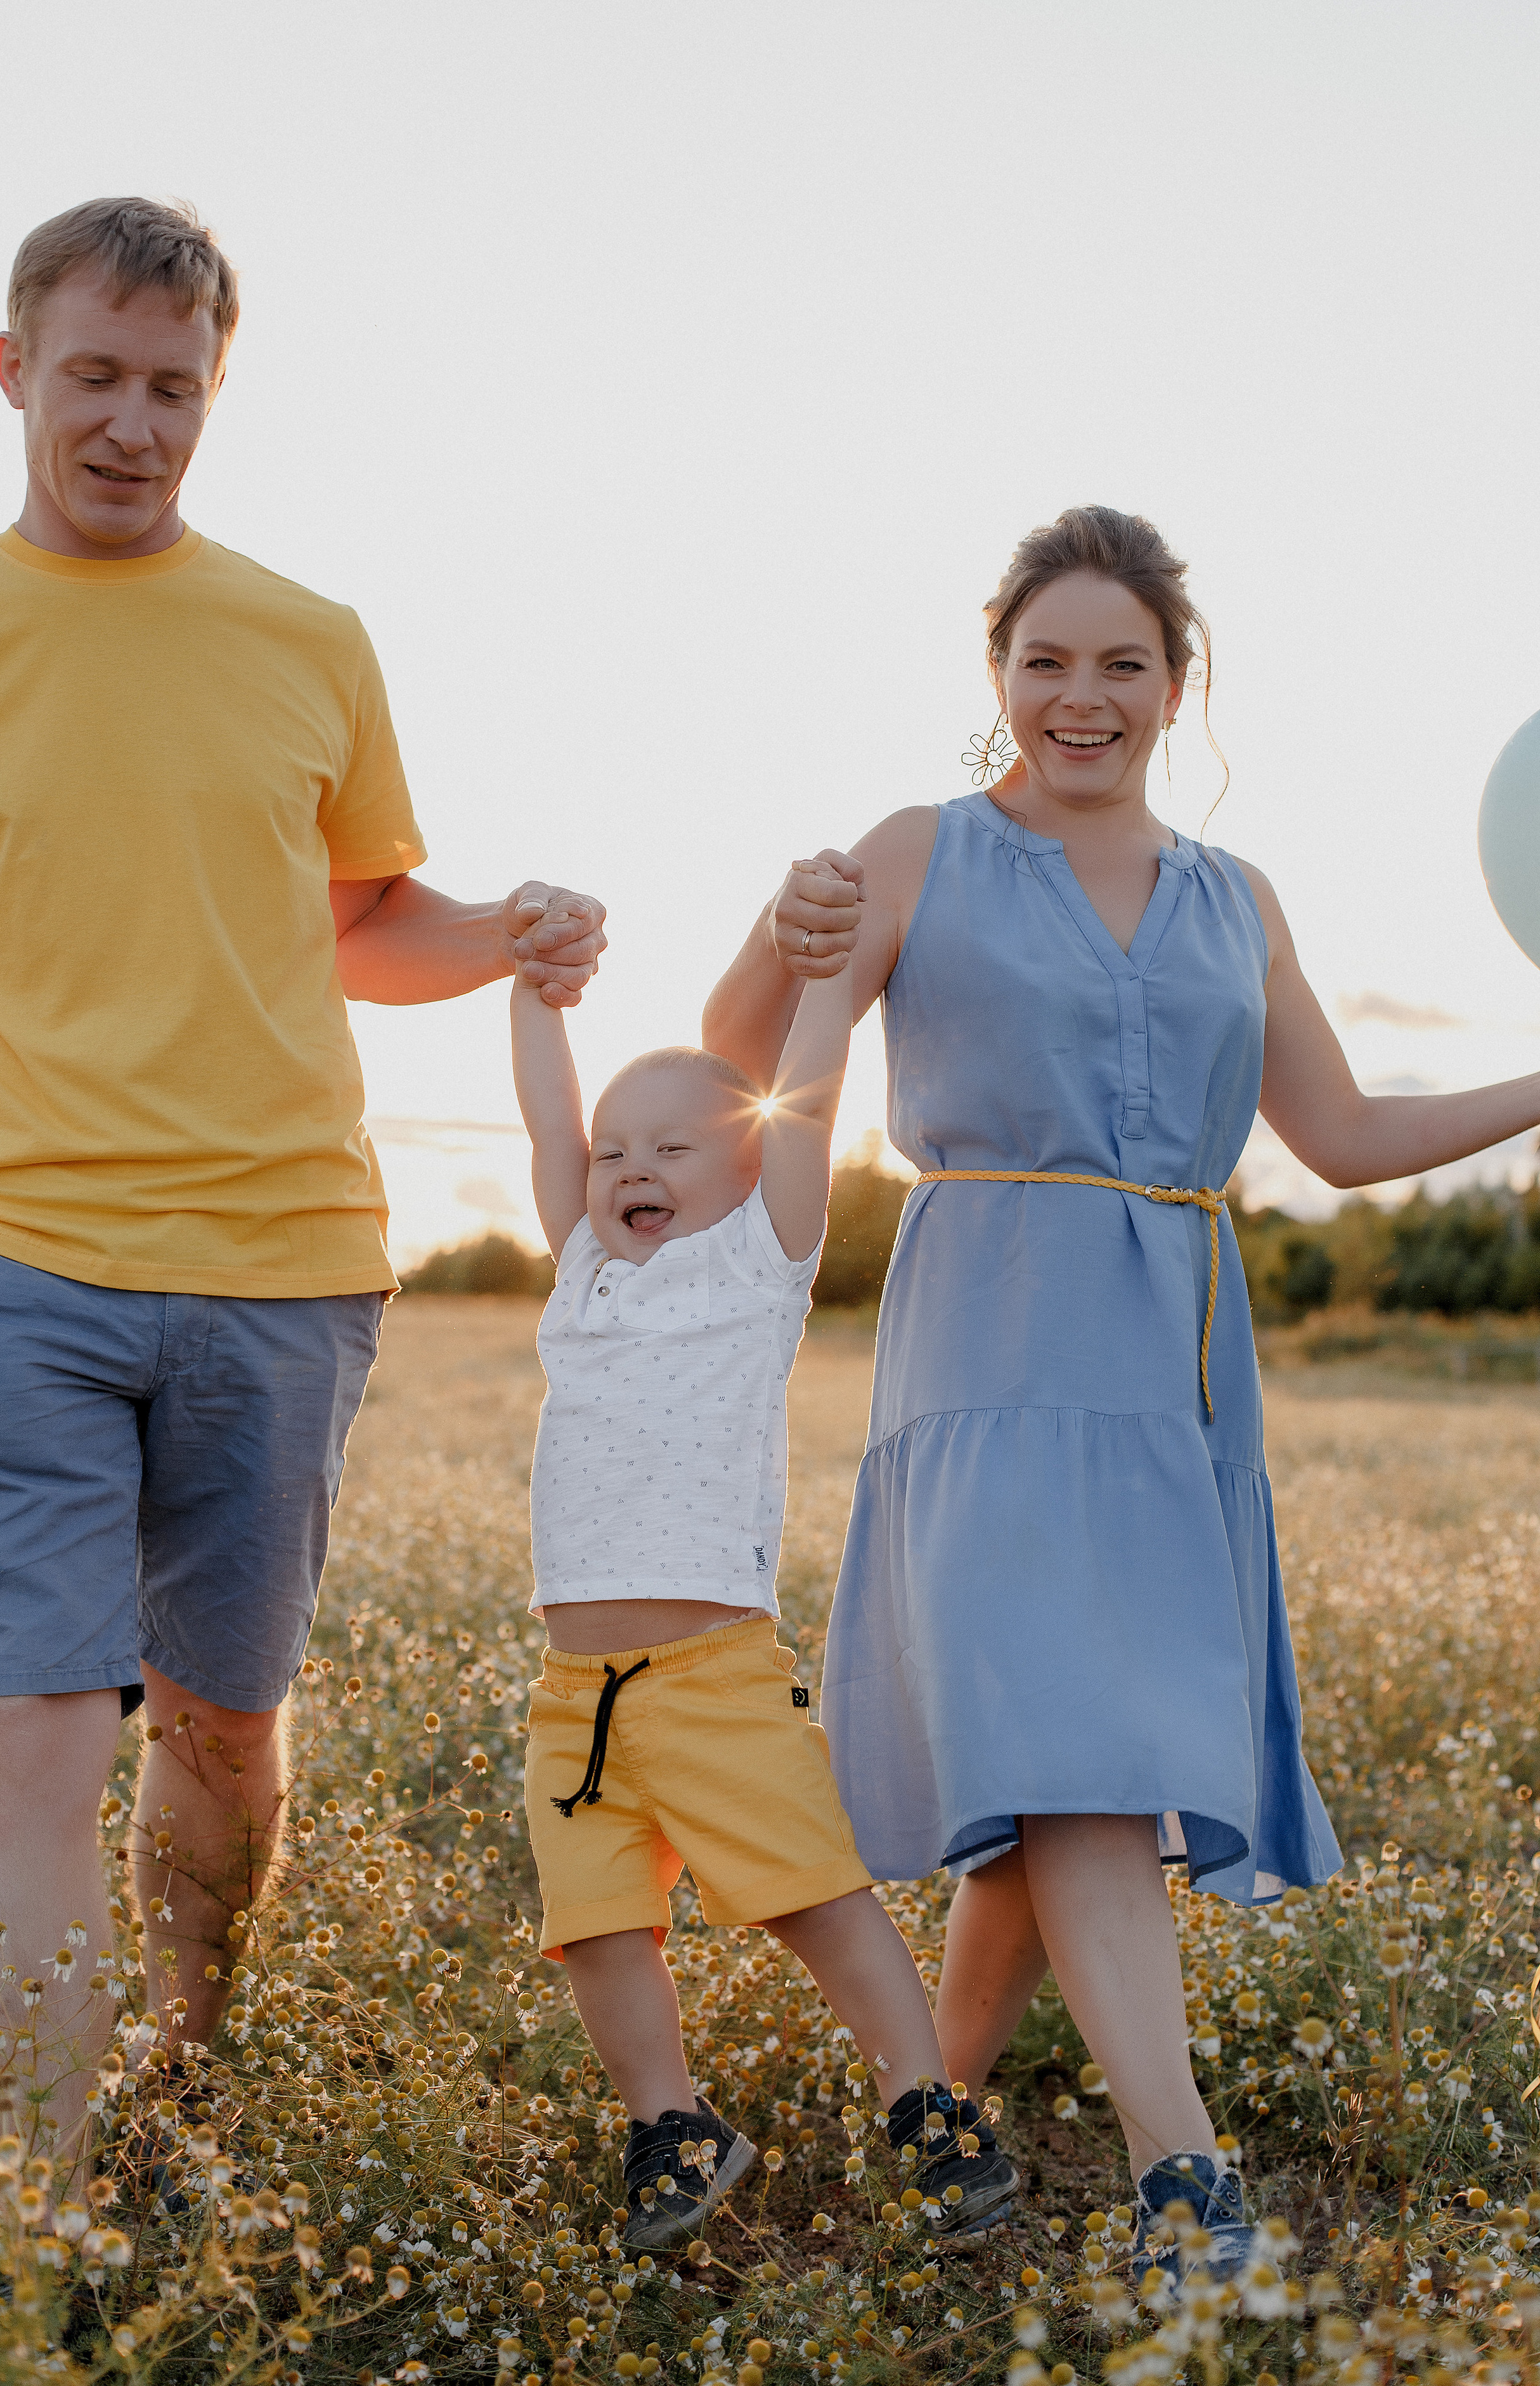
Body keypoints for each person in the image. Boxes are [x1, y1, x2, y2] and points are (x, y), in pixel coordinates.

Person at [702, 503, 1540, 2274]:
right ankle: (1186, 2173)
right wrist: (780, 935)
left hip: (1176, 1355)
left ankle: (927, 2118)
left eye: (1121, 665)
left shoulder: (1240, 897)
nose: (1079, 699)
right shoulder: (920, 846)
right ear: (998, 671)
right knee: (1083, 1759)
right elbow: (742, 1050)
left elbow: (1345, 1134)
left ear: (1180, 684)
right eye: (1044, 661)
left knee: (1073, 1761)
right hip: (991, 1333)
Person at [0, 197, 606, 2169]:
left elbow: (361, 919)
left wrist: (506, 928)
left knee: (220, 1723)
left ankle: (186, 2064)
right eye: (96, 378)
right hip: (4, 1255)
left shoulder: (311, 641)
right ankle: (35, 2228)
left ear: (214, 393)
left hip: (285, 1263)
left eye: (174, 388)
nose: (133, 423)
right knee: (36, 1731)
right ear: (13, 371)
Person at [510, 905, 1019, 2248]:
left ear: (739, 1168)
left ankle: (925, 2102)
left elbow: (804, 1103)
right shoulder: (581, 1274)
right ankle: (669, 2127)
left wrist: (825, 980)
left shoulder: (755, 1265)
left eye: (672, 1147)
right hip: (577, 1697)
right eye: (617, 1151)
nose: (631, 1166)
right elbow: (545, 1128)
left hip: (715, 1674)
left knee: (812, 1894)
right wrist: (537, 997)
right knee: (598, 1928)